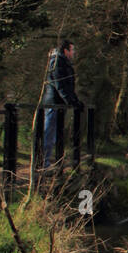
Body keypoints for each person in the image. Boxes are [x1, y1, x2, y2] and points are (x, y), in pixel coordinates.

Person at [40, 39, 82, 171]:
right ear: (66, 50)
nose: (74, 53)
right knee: (49, 131)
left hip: (59, 104)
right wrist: (71, 101)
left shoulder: (63, 62)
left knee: (55, 132)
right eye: (72, 50)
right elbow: (60, 85)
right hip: (54, 103)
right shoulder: (57, 62)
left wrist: (75, 100)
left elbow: (68, 86)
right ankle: (43, 162)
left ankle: (53, 160)